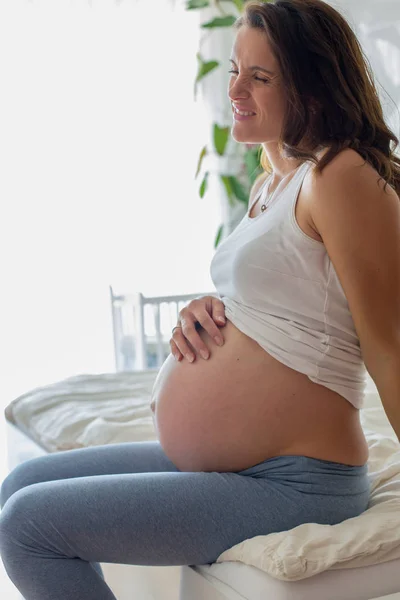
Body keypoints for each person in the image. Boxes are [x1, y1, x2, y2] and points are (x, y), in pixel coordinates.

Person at [1, 1, 400, 598]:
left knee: (28, 524)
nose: (235, 87)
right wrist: (211, 309)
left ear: (314, 86)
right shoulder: (273, 183)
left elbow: (388, 342)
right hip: (237, 465)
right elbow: (294, 302)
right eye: (235, 68)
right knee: (21, 482)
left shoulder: (342, 174)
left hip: (298, 480)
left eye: (260, 77)